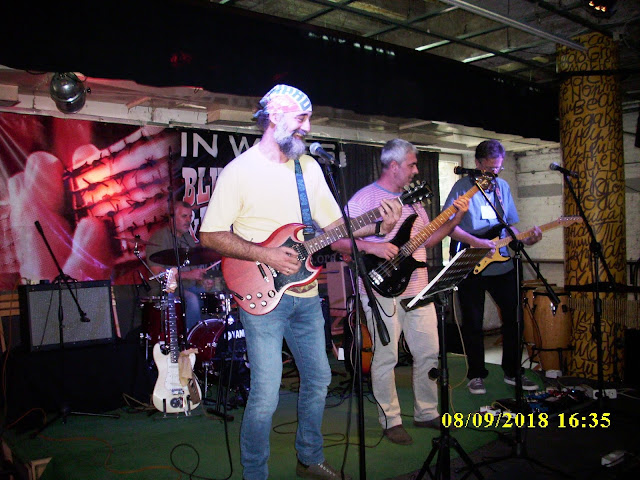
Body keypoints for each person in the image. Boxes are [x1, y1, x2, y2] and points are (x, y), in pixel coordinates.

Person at [198, 84, 401, 480]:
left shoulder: (307, 167)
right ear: (274, 116)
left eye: (309, 119)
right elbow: (210, 235)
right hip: (262, 297)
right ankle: (255, 474)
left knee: (320, 378)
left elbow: (335, 228)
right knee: (265, 394)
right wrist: (266, 254)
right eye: (301, 118)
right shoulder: (240, 172)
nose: (307, 127)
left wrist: (378, 225)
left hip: (306, 295)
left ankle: (309, 457)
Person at [332, 138, 469, 446]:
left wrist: (456, 218)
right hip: (380, 289)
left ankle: (427, 411)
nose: (416, 170)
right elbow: (336, 240)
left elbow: (427, 240)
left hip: (418, 288)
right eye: (411, 164)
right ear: (393, 166)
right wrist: (373, 247)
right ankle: (390, 419)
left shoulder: (413, 200)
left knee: (429, 352)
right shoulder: (364, 198)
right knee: (386, 356)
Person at [442, 139, 542, 395]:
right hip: (471, 263)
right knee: (473, 323)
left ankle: (513, 371)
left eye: (498, 168)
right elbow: (447, 227)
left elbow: (508, 225)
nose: (493, 173)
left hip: (502, 264)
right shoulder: (462, 188)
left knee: (514, 318)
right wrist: (477, 242)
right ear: (477, 163)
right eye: (489, 168)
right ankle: (476, 374)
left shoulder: (502, 187)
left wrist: (526, 239)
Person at [146, 201, 209, 331]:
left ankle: (209, 337)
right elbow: (158, 273)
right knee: (191, 299)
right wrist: (187, 275)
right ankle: (190, 339)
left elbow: (193, 267)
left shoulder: (188, 238)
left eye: (190, 216)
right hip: (166, 290)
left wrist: (202, 280)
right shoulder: (159, 238)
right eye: (184, 216)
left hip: (188, 286)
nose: (188, 220)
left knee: (212, 294)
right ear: (172, 217)